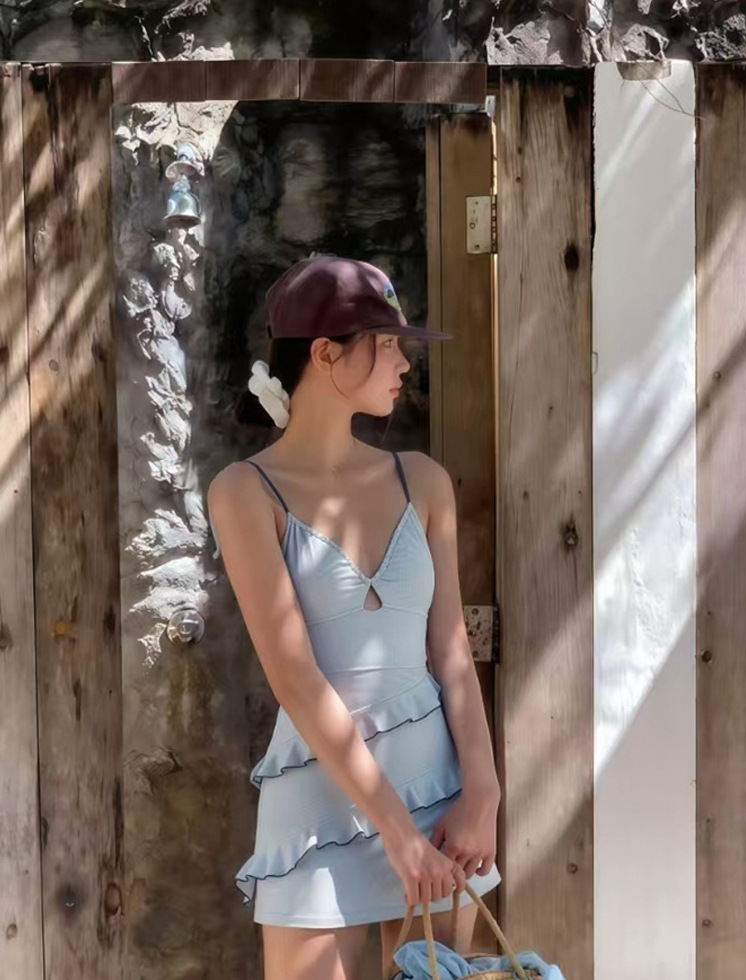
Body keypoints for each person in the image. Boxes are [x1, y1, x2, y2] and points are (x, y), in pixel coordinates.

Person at [207, 256, 502, 980]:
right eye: (387, 343)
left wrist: (484, 793)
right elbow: (296, 680)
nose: (403, 362)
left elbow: (452, 653)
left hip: (435, 793)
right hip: (318, 804)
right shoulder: (245, 492)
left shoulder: (422, 480)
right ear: (325, 354)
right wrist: (395, 834)